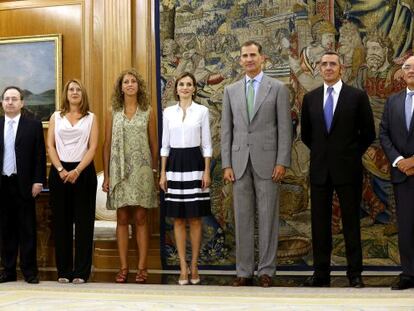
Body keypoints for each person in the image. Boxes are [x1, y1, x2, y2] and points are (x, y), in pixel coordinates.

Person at [301, 51, 375, 288]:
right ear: (318, 68)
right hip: (320, 170)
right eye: (324, 64)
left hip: (348, 169)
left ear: (341, 67)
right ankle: (321, 274)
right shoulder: (310, 99)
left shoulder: (357, 97)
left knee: (351, 222)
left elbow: (368, 134)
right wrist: (325, 153)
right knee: (319, 224)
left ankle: (355, 274)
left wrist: (350, 154)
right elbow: (307, 135)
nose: (329, 67)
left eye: (333, 63)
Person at [221, 40, 292, 287]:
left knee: (268, 216)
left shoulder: (278, 88)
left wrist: (282, 161)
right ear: (240, 60)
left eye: (253, 55)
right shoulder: (231, 90)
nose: (249, 59)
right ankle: (243, 271)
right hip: (239, 163)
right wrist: (227, 164)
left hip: (269, 162)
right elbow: (226, 131)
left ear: (263, 58)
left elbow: (285, 129)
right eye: (245, 56)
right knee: (241, 217)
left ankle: (266, 271)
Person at [102, 68, 158, 284]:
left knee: (142, 218)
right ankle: (124, 267)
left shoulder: (148, 111)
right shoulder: (112, 111)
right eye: (126, 81)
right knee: (122, 217)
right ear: (121, 87)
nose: (130, 84)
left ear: (138, 86)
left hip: (142, 172)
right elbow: (106, 145)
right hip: (118, 172)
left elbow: (154, 144)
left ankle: (143, 268)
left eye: (133, 81)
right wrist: (107, 175)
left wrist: (153, 171)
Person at [159, 71, 212, 285]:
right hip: (173, 165)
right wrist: (162, 173)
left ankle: (194, 265)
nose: (185, 87)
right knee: (178, 219)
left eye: (189, 84)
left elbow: (207, 144)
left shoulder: (202, 111)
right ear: (176, 88)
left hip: (195, 163)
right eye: (181, 84)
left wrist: (207, 171)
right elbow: (165, 145)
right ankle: (182, 266)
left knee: (195, 218)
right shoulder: (168, 112)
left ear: (194, 88)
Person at [47, 79, 98, 284]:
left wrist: (76, 170)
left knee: (84, 224)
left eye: (78, 89)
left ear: (82, 94)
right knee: (62, 224)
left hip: (83, 172)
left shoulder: (91, 117)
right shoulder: (55, 117)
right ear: (66, 94)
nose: (74, 92)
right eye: (71, 89)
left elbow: (93, 147)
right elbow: (50, 146)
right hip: (60, 174)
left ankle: (81, 272)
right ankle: (64, 271)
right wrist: (60, 169)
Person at [0, 86, 46, 284]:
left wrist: (38, 181)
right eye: (6, 99)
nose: (10, 102)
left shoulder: (33, 126)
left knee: (27, 229)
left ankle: (29, 272)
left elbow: (39, 155)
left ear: (22, 103)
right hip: (2, 183)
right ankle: (8, 271)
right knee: (5, 230)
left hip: (25, 184)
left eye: (14, 99)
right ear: (2, 103)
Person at [379, 55, 414, 290]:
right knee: (406, 225)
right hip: (402, 173)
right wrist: (400, 160)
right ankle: (409, 273)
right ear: (401, 72)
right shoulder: (393, 101)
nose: (410, 71)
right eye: (407, 67)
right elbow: (384, 133)